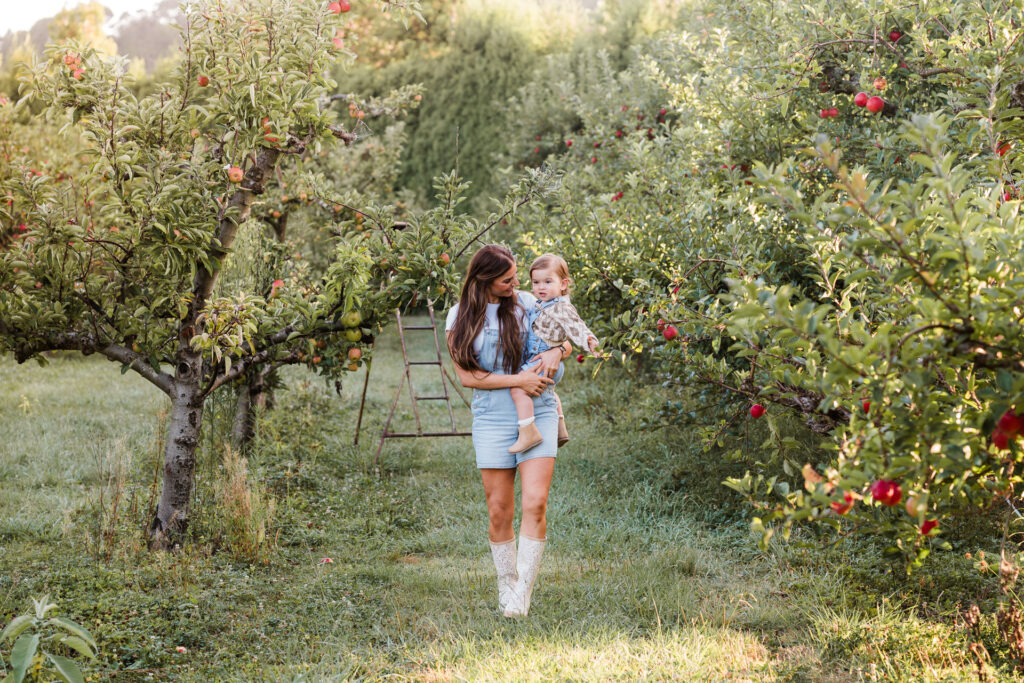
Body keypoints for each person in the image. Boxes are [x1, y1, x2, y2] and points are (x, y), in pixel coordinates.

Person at [445, 244, 572, 618]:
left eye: (517, 276)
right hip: (492, 419)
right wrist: (519, 379)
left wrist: (558, 351)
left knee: (535, 502)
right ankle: (506, 584)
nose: (516, 283)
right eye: (508, 279)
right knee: (499, 509)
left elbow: (565, 325)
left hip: (540, 411)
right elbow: (468, 376)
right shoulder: (460, 316)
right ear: (485, 281)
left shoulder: (529, 303)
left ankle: (523, 593)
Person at [507, 253, 600, 454]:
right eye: (536, 282)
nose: (541, 287)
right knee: (550, 392)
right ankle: (560, 426)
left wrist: (590, 341)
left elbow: (577, 326)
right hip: (541, 359)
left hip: (541, 360)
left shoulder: (561, 307)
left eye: (548, 282)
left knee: (517, 388)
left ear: (563, 284)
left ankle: (528, 431)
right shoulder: (543, 303)